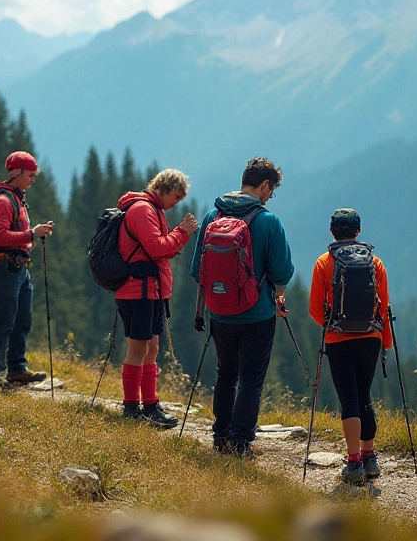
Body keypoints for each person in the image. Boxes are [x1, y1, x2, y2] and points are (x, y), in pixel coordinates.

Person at [189, 157, 294, 458]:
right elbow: (282, 271)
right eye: (271, 190)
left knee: (226, 373)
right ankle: (240, 441)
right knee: (250, 379)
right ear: (263, 185)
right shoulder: (268, 221)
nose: (270, 196)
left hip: (220, 312)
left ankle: (220, 435)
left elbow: (198, 270)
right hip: (257, 314)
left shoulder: (213, 215)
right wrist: (278, 294)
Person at [308, 208, 392, 485]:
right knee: (364, 395)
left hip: (338, 339)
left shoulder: (324, 262)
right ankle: (370, 458)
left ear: (333, 232)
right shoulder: (375, 263)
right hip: (371, 338)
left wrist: (331, 324)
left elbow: (314, 308)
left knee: (349, 399)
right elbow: (383, 307)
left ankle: (353, 462)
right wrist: (386, 342)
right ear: (358, 231)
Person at [114, 169, 199, 427]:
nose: (176, 203)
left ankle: (150, 405)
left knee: (152, 348)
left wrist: (174, 236)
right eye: (175, 196)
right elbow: (156, 248)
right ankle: (132, 407)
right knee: (138, 348)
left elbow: (159, 248)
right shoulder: (142, 209)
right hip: (137, 290)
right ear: (164, 187)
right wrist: (182, 233)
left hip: (151, 290)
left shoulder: (154, 210)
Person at [0, 151, 55, 386]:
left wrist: (33, 234)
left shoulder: (15, 198)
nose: (32, 180)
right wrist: (32, 233)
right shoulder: (2, 200)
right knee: (3, 321)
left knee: (22, 320)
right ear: (16, 174)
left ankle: (16, 368)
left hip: (18, 267)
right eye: (30, 175)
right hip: (5, 266)